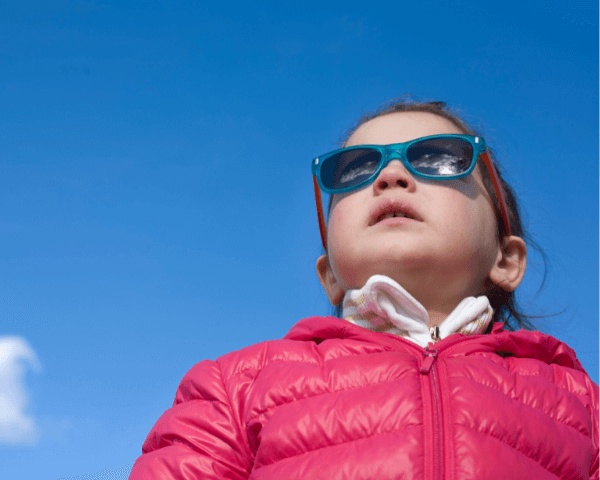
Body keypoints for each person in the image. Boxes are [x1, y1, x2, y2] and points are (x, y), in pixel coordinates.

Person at [128, 99, 599, 480]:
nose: (391, 176)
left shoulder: (582, 406)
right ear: (330, 276)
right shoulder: (236, 388)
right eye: (353, 170)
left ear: (506, 260)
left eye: (438, 158)